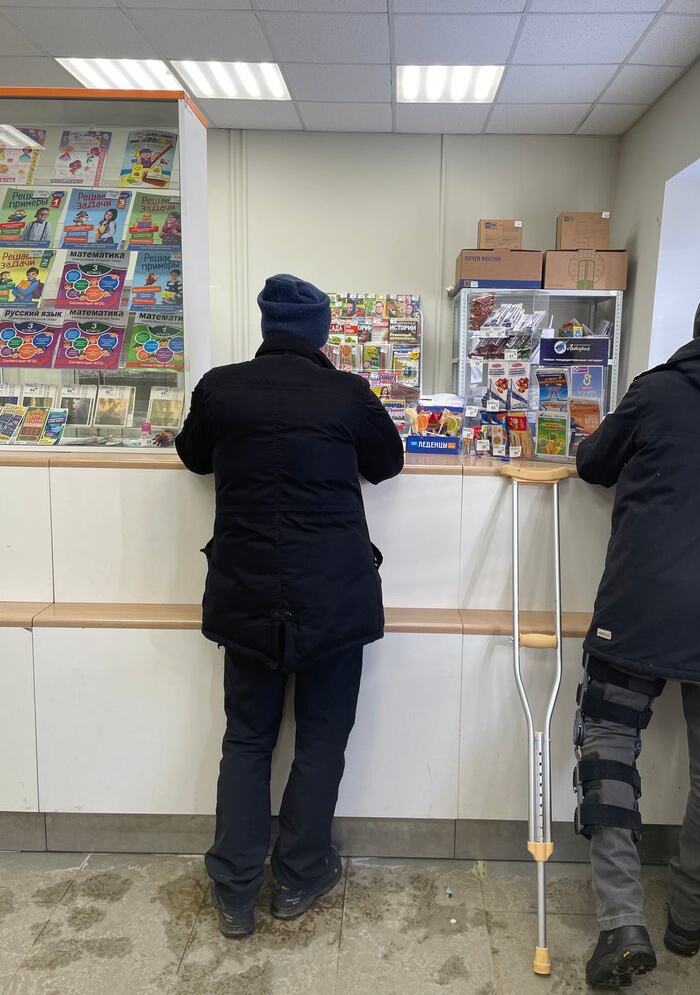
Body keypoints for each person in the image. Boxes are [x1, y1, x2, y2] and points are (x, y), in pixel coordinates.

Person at [175, 273, 404, 939]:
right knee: (321, 737)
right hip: (334, 595)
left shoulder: (221, 387)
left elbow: (193, 458)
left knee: (246, 739)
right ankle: (300, 877)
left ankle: (236, 890)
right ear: (321, 332)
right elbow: (386, 464)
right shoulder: (347, 393)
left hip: (247, 594)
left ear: (267, 327)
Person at [574, 271, 700, 987]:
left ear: (699, 331)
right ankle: (689, 920)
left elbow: (592, 463)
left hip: (645, 606)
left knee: (609, 745)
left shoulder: (657, 390)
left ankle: (622, 921)